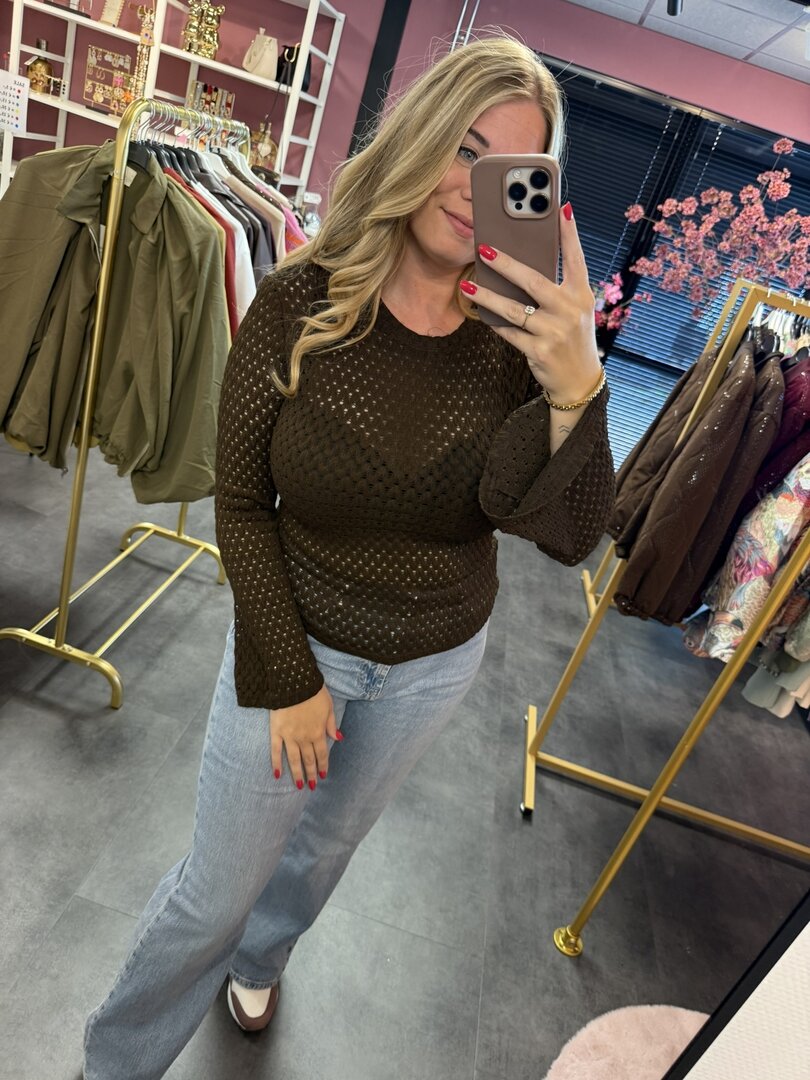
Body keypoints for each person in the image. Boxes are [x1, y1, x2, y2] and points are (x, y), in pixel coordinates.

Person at [83, 34, 614, 1079]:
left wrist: (576, 388)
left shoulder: (522, 339)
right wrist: (288, 677)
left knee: (322, 853)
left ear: (538, 199)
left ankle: (265, 962)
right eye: (463, 148)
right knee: (215, 892)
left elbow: (564, 536)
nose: (473, 190)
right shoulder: (300, 298)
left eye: (510, 171)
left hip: (434, 664)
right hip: (296, 637)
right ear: (418, 137)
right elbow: (241, 501)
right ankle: (115, 1062)